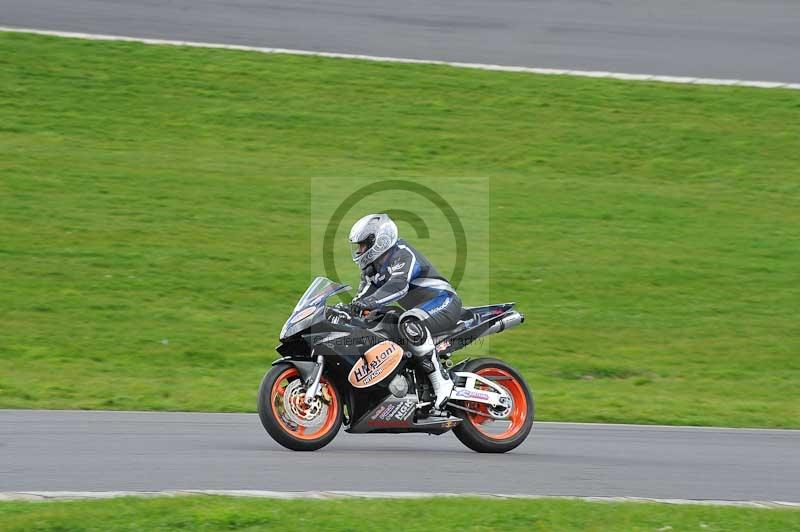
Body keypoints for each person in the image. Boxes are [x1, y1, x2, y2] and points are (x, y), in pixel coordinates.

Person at [348, 213, 462, 409]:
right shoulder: (371, 270)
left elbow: (398, 286)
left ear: (380, 241)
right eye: (359, 246)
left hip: (444, 301)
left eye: (364, 245)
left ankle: (441, 381)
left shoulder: (402, 254)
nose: (360, 251)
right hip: (420, 310)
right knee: (381, 321)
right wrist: (343, 312)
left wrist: (370, 302)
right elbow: (361, 299)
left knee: (409, 322)